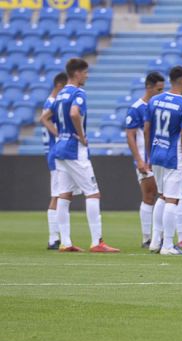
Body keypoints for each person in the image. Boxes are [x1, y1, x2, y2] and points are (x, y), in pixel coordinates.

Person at [41, 58, 118, 253]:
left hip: (59, 148)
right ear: (77, 73)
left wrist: (59, 134)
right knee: (93, 193)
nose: (87, 75)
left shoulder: (59, 95)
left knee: (64, 195)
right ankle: (97, 242)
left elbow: (44, 118)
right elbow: (75, 113)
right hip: (74, 149)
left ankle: (66, 242)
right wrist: (82, 137)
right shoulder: (78, 93)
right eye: (85, 72)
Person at [144, 65, 182, 255]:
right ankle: (167, 245)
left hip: (157, 153)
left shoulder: (155, 100)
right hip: (174, 157)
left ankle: (155, 242)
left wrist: (149, 155)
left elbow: (147, 129)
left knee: (163, 197)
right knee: (172, 200)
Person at [126, 72, 165, 248]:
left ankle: (159, 236)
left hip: (161, 157)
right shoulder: (137, 108)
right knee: (150, 195)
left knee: (164, 195)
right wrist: (139, 160)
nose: (161, 92)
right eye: (159, 89)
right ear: (149, 87)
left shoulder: (160, 106)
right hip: (146, 160)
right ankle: (147, 237)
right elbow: (131, 135)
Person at [40, 72, 68, 250]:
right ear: (59, 86)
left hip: (53, 152)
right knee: (58, 195)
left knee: (59, 194)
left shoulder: (49, 102)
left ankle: (56, 237)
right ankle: (53, 238)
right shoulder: (52, 103)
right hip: (56, 152)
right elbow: (44, 120)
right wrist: (60, 136)